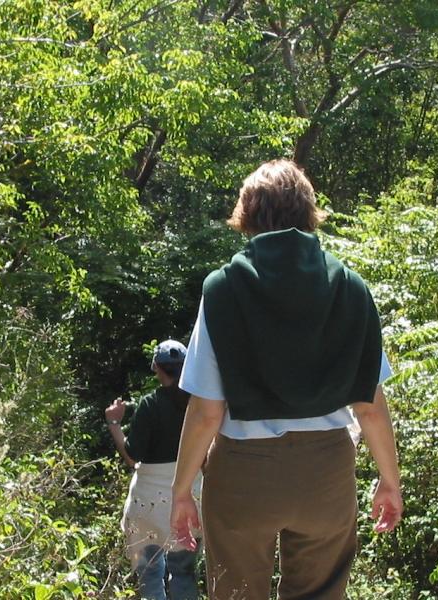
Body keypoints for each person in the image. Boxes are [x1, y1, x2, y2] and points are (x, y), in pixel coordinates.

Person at [168, 159, 403, 599]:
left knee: (236, 593)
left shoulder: (223, 288)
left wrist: (182, 491)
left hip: (242, 472)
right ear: (309, 212)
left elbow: (205, 414)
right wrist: (390, 481)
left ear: (247, 215)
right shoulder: (350, 287)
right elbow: (369, 406)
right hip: (327, 472)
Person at [107, 340, 202, 600]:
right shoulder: (198, 403)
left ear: (156, 368)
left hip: (149, 500)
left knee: (149, 571)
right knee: (183, 571)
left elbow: (132, 456)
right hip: (192, 493)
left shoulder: (150, 404)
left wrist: (114, 422)